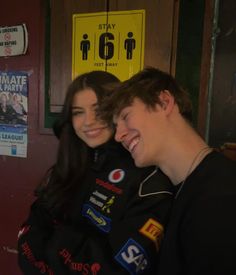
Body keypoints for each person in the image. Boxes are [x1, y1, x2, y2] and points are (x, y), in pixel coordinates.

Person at [17, 70, 173, 274]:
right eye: (78, 112)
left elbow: (120, 265)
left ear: (119, 111)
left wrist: (56, 246)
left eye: (98, 109)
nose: (88, 121)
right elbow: (32, 229)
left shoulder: (146, 175)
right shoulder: (68, 165)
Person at [100, 67, 236, 275]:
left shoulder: (221, 197)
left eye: (126, 116)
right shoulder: (177, 189)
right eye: (116, 126)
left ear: (164, 102)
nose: (118, 135)